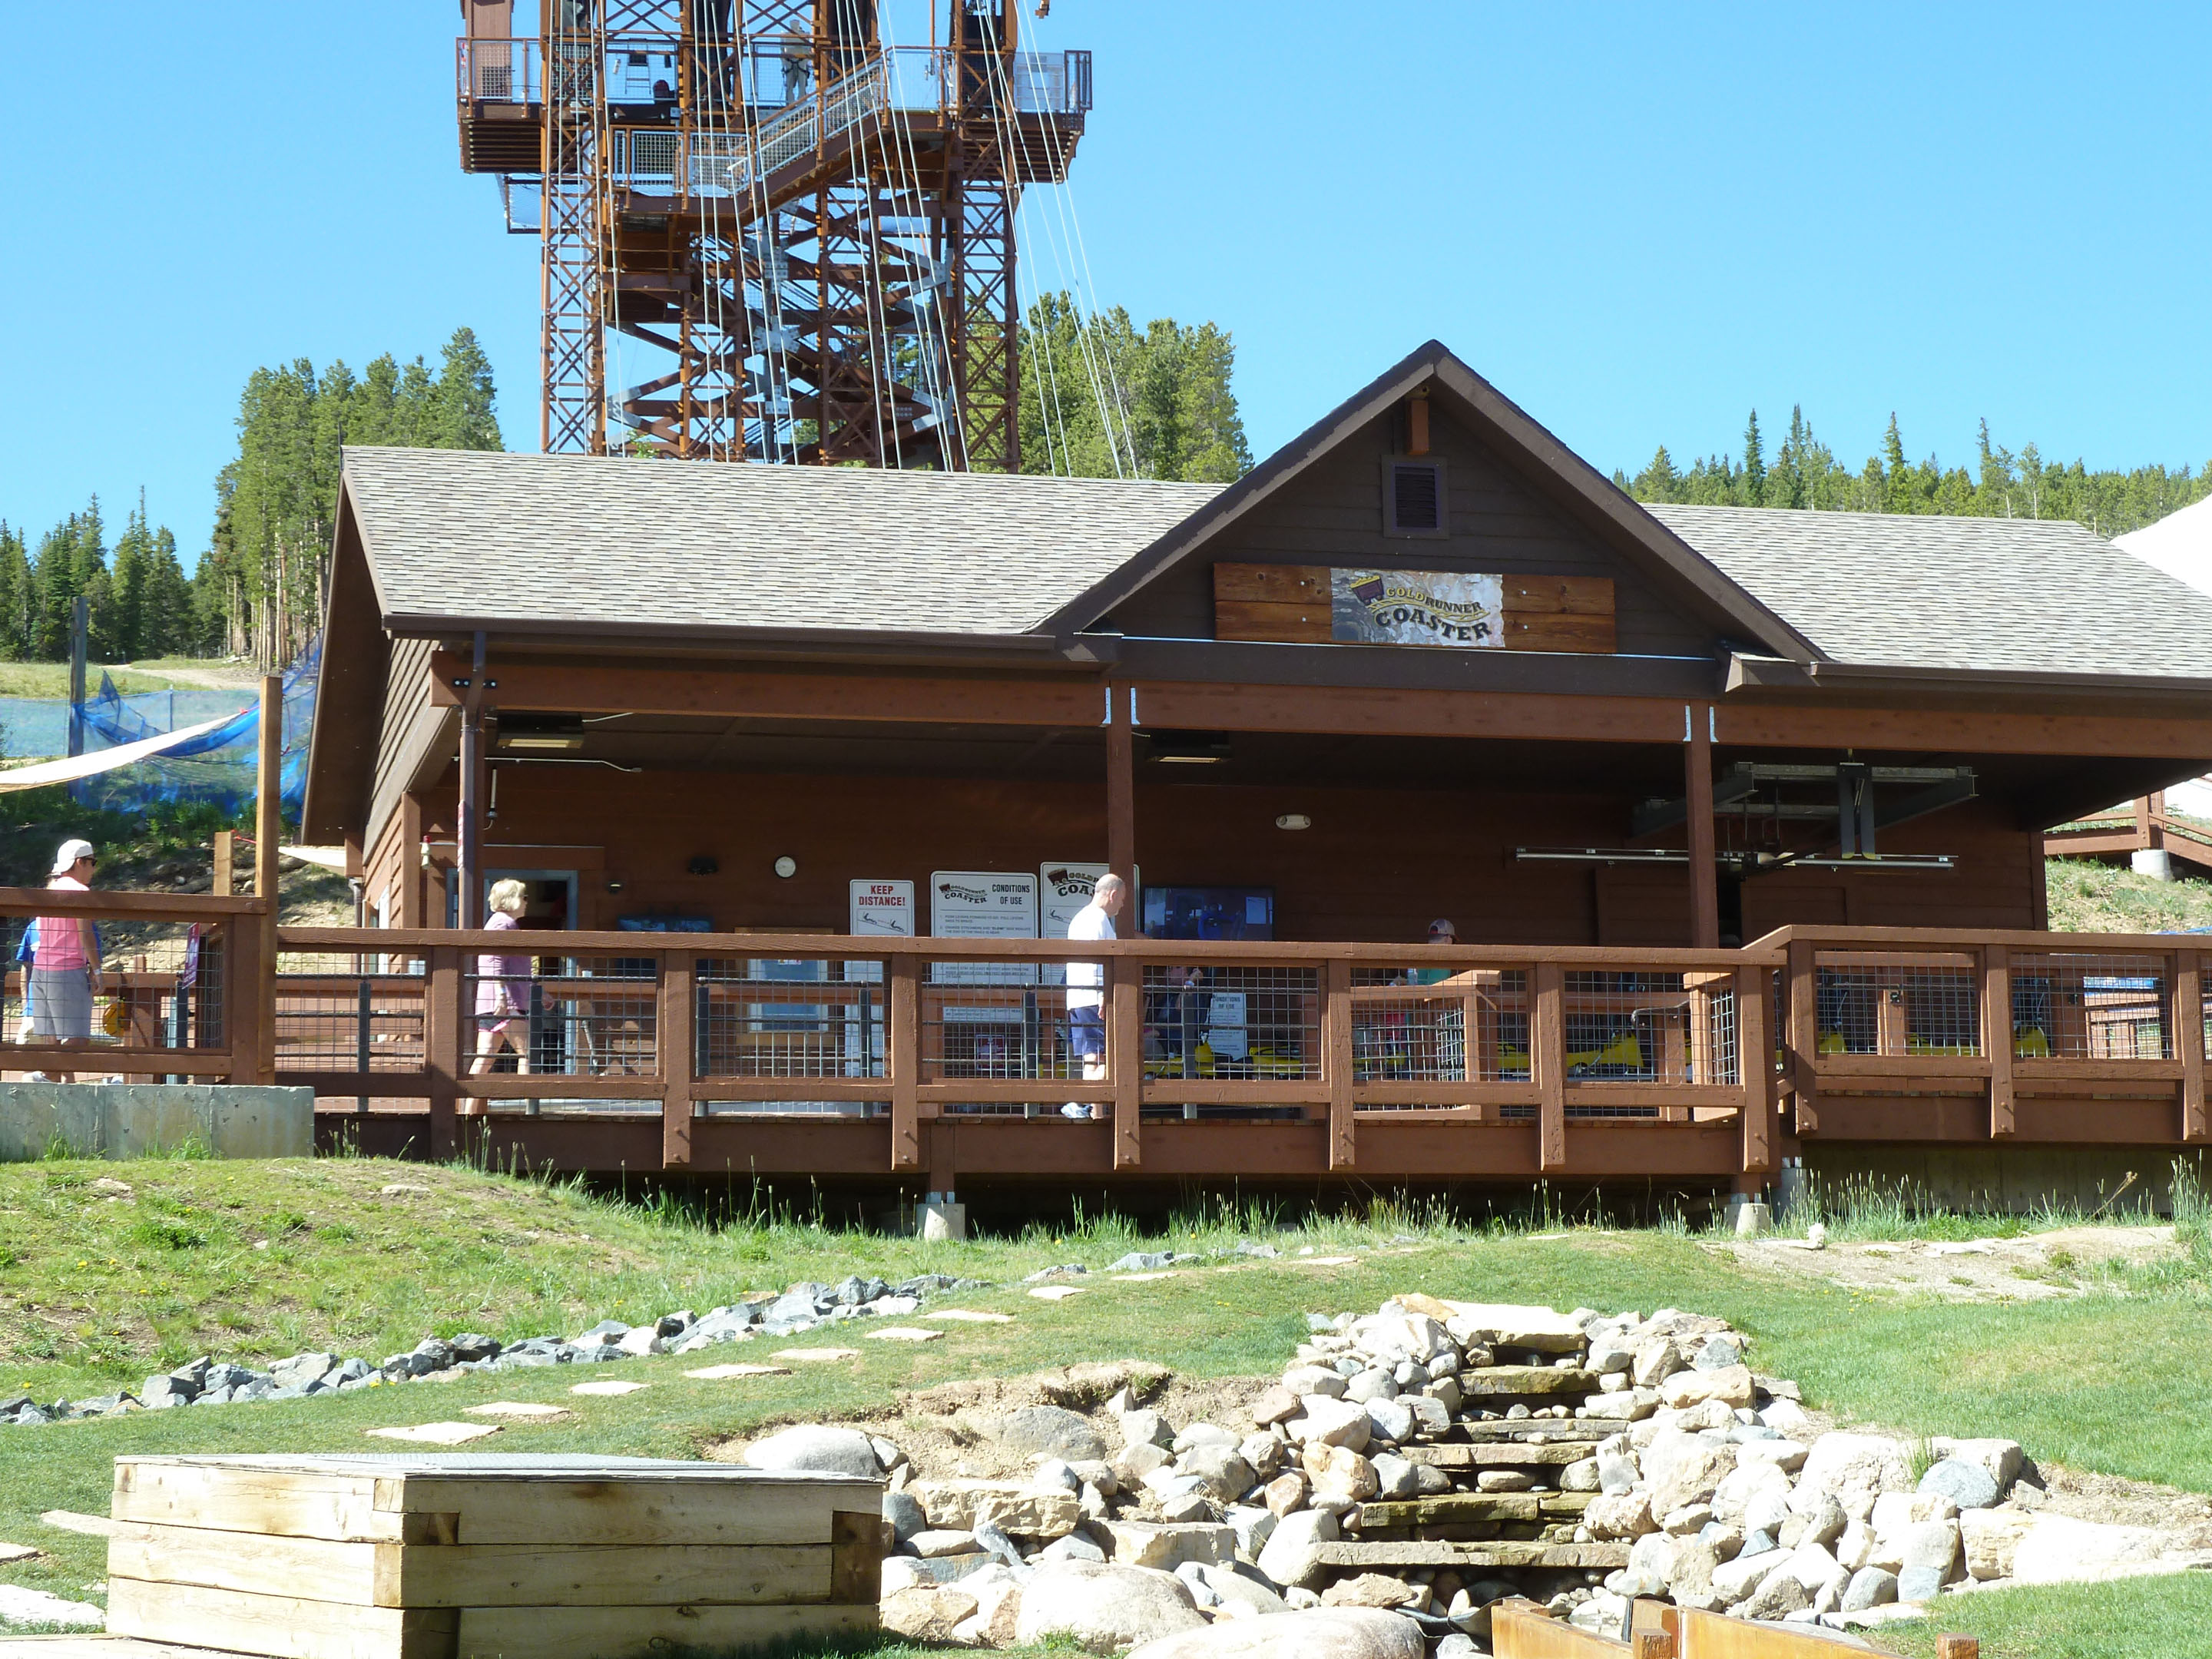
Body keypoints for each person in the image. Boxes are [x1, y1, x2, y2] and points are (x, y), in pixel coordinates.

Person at [24, 840, 101, 1082]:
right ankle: (47, 1078)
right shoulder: (80, 893)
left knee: (52, 1039)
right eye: (93, 863)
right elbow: (85, 934)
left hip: (40, 970)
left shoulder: (48, 890)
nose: (93, 870)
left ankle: (57, 1085)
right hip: (67, 971)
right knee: (78, 1038)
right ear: (80, 862)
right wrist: (97, 970)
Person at [465, 879, 535, 1114]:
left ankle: (467, 1115)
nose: (527, 902)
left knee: (484, 1059)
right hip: (507, 1005)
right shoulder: (503, 924)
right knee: (528, 1054)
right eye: (524, 897)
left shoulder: (500, 923)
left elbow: (515, 967)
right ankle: (529, 1111)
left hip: (490, 1004)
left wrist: (539, 991)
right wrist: (502, 996)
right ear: (513, 899)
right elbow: (493, 962)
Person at [1061, 873, 1124, 1120]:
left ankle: (1095, 1115)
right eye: (1122, 900)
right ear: (1113, 894)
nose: (1121, 905)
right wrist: (1102, 996)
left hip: (1077, 997)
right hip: (1092, 998)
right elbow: (1098, 961)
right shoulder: (1098, 919)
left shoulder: (1080, 918)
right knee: (1116, 1060)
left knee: (1092, 1060)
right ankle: (1079, 1100)